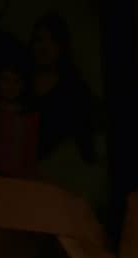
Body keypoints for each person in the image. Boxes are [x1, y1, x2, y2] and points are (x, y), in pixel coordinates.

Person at [29, 14, 98, 166]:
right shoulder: (18, 84)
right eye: (39, 40)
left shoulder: (75, 90)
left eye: (52, 41)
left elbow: (84, 140)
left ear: (61, 47)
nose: (44, 47)